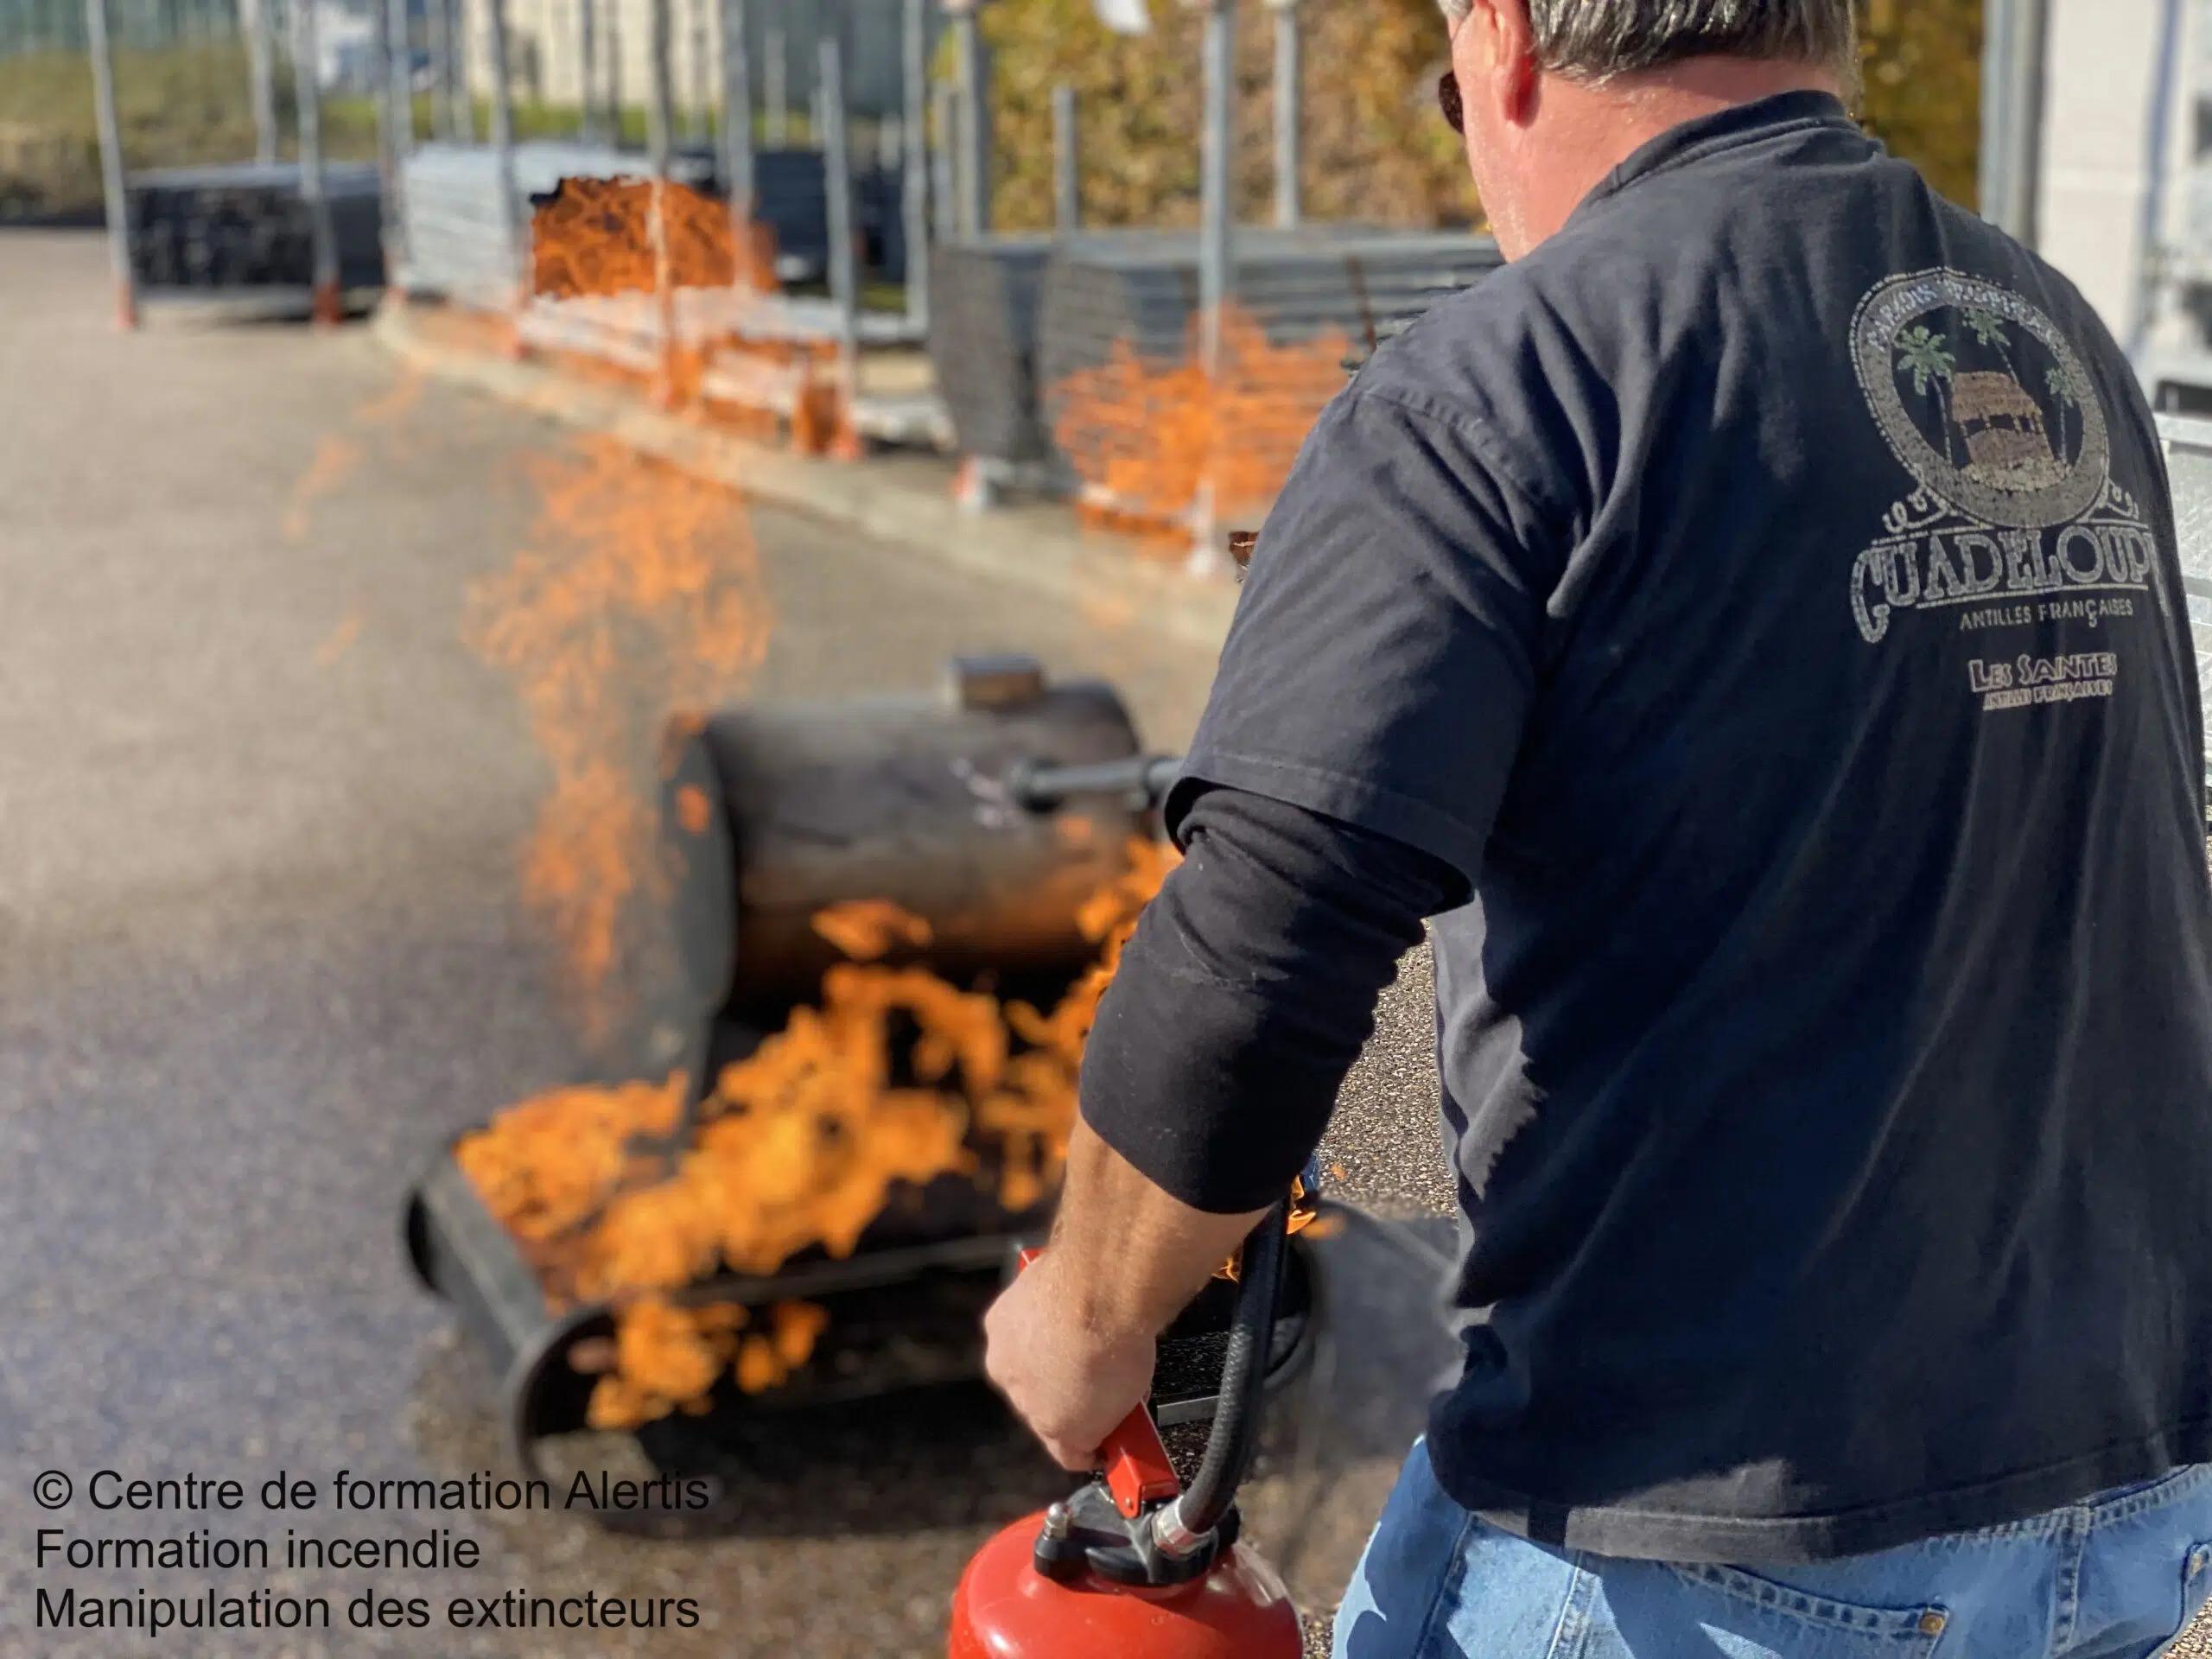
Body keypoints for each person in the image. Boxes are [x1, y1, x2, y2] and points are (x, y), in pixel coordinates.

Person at [982, 0, 2212, 1653]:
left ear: (1501, 40)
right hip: (2128, 1494)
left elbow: (1263, 950)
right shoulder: (2048, 332)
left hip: (1722, 1533)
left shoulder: (1507, 379)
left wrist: (1087, 1312)